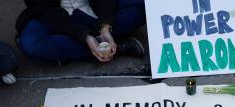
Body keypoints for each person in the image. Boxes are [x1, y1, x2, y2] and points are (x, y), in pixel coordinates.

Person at [16, 0, 147, 63]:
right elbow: (45, 9)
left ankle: (66, 50)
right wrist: (84, 36)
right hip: (59, 16)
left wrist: (106, 25)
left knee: (145, 5)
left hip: (93, 8)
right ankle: (118, 48)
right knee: (30, 43)